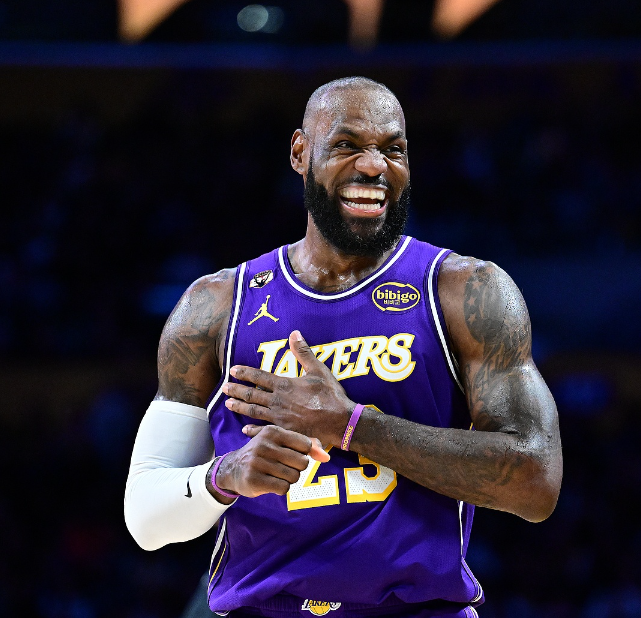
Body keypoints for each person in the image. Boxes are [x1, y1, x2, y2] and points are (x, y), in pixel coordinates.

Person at [124, 76, 563, 618]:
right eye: (347, 145)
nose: (374, 165)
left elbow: (535, 481)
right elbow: (145, 518)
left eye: (393, 149)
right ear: (300, 153)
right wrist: (225, 475)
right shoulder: (215, 305)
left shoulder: (465, 291)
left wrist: (350, 425)